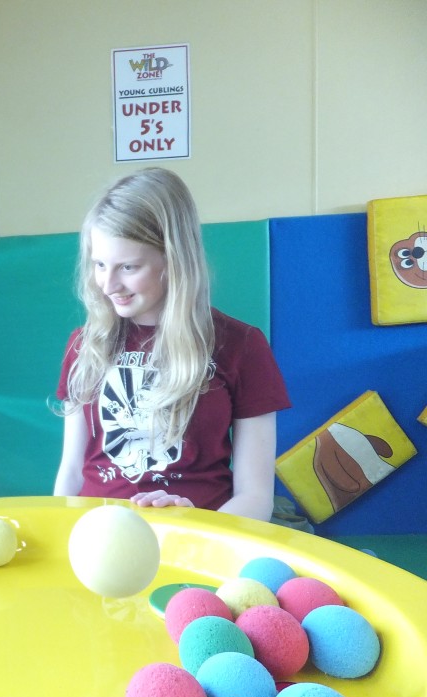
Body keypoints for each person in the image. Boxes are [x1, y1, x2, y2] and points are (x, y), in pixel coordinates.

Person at [53, 168, 290, 521]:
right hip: (99, 538)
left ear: (174, 260)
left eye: (128, 267)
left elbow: (255, 498)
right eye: (100, 264)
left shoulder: (242, 346)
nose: (108, 284)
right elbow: (71, 474)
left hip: (200, 541)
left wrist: (196, 528)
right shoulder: (85, 344)